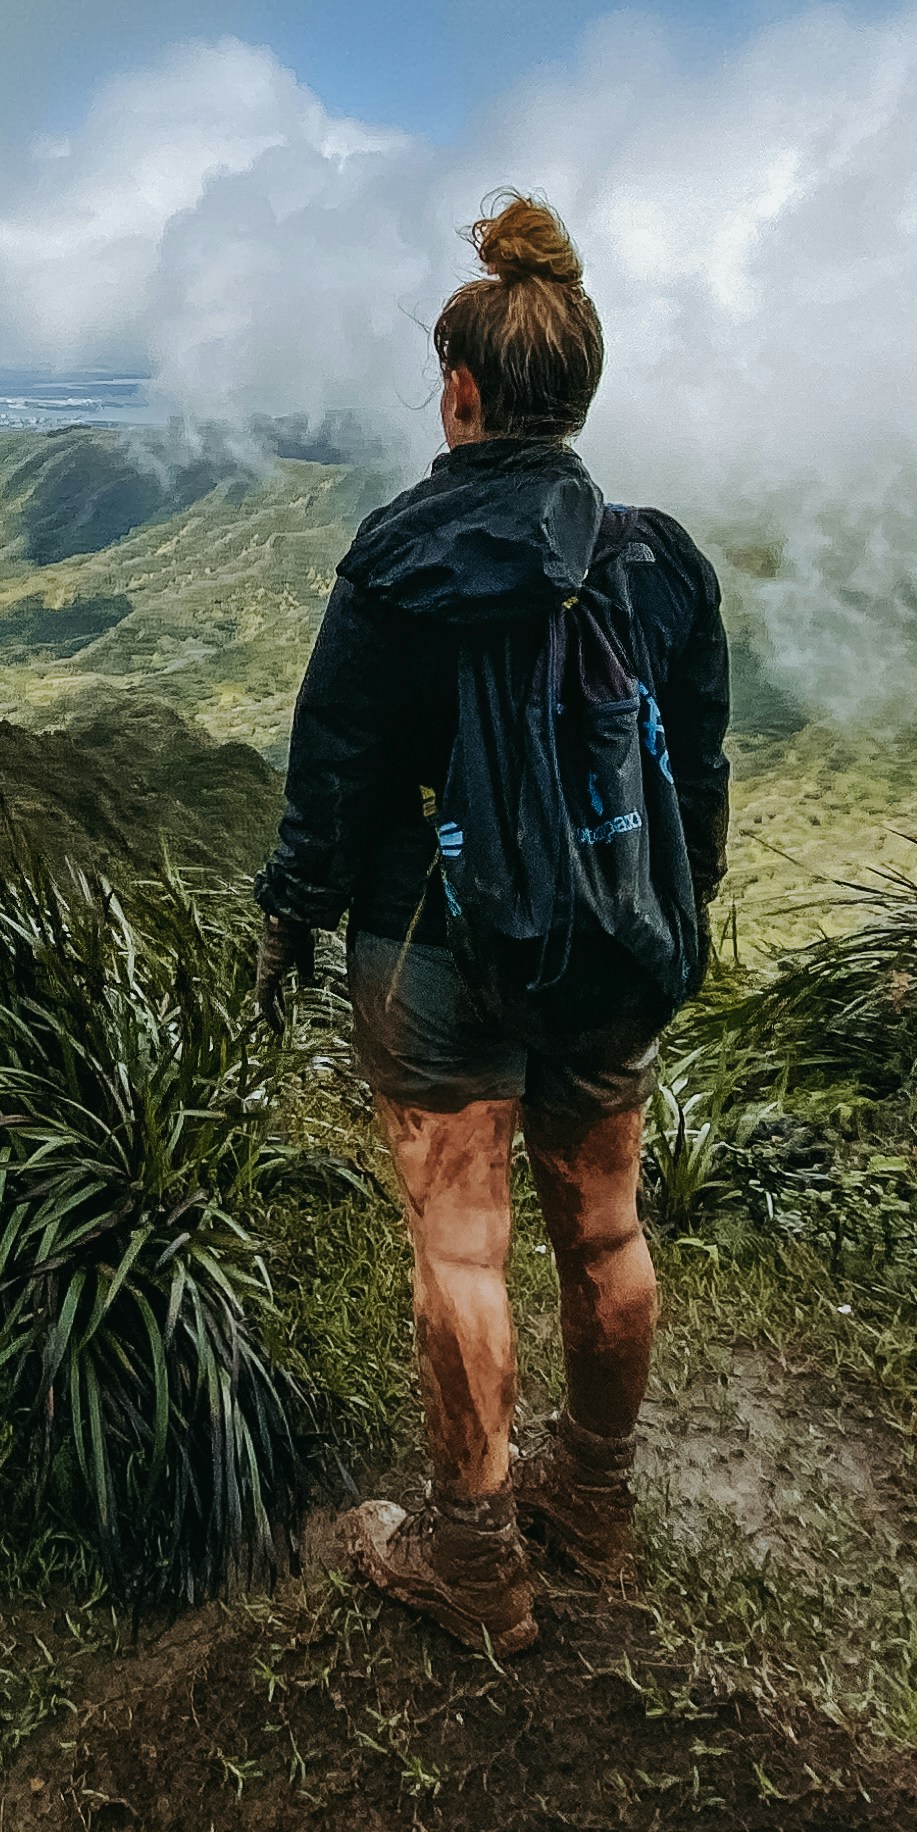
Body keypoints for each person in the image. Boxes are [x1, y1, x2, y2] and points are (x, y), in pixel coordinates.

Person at [252, 194, 731, 1653]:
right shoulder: (656, 561)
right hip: (610, 944)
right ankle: (592, 1496)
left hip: (436, 940)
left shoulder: (399, 562)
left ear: (458, 391)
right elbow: (693, 769)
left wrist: (291, 915)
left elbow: (332, 772)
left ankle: (473, 1555)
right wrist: (672, 908)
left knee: (462, 1247)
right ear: (578, 397)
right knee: (604, 1225)